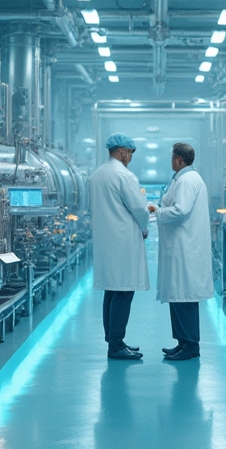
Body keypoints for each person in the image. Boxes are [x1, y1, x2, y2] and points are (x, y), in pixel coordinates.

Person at [89, 133, 151, 360]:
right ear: (123, 151)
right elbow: (140, 209)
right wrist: (145, 228)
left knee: (111, 292)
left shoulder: (97, 175)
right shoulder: (124, 176)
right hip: (123, 241)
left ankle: (114, 340)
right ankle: (116, 346)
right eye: (130, 153)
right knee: (123, 293)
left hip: (106, 242)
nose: (131, 158)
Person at [150, 142, 213, 361]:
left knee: (184, 298)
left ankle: (190, 346)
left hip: (185, 246)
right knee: (178, 296)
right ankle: (182, 342)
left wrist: (158, 212)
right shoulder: (185, 179)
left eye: (171, 157)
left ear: (178, 159)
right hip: (181, 245)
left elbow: (180, 209)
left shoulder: (187, 180)